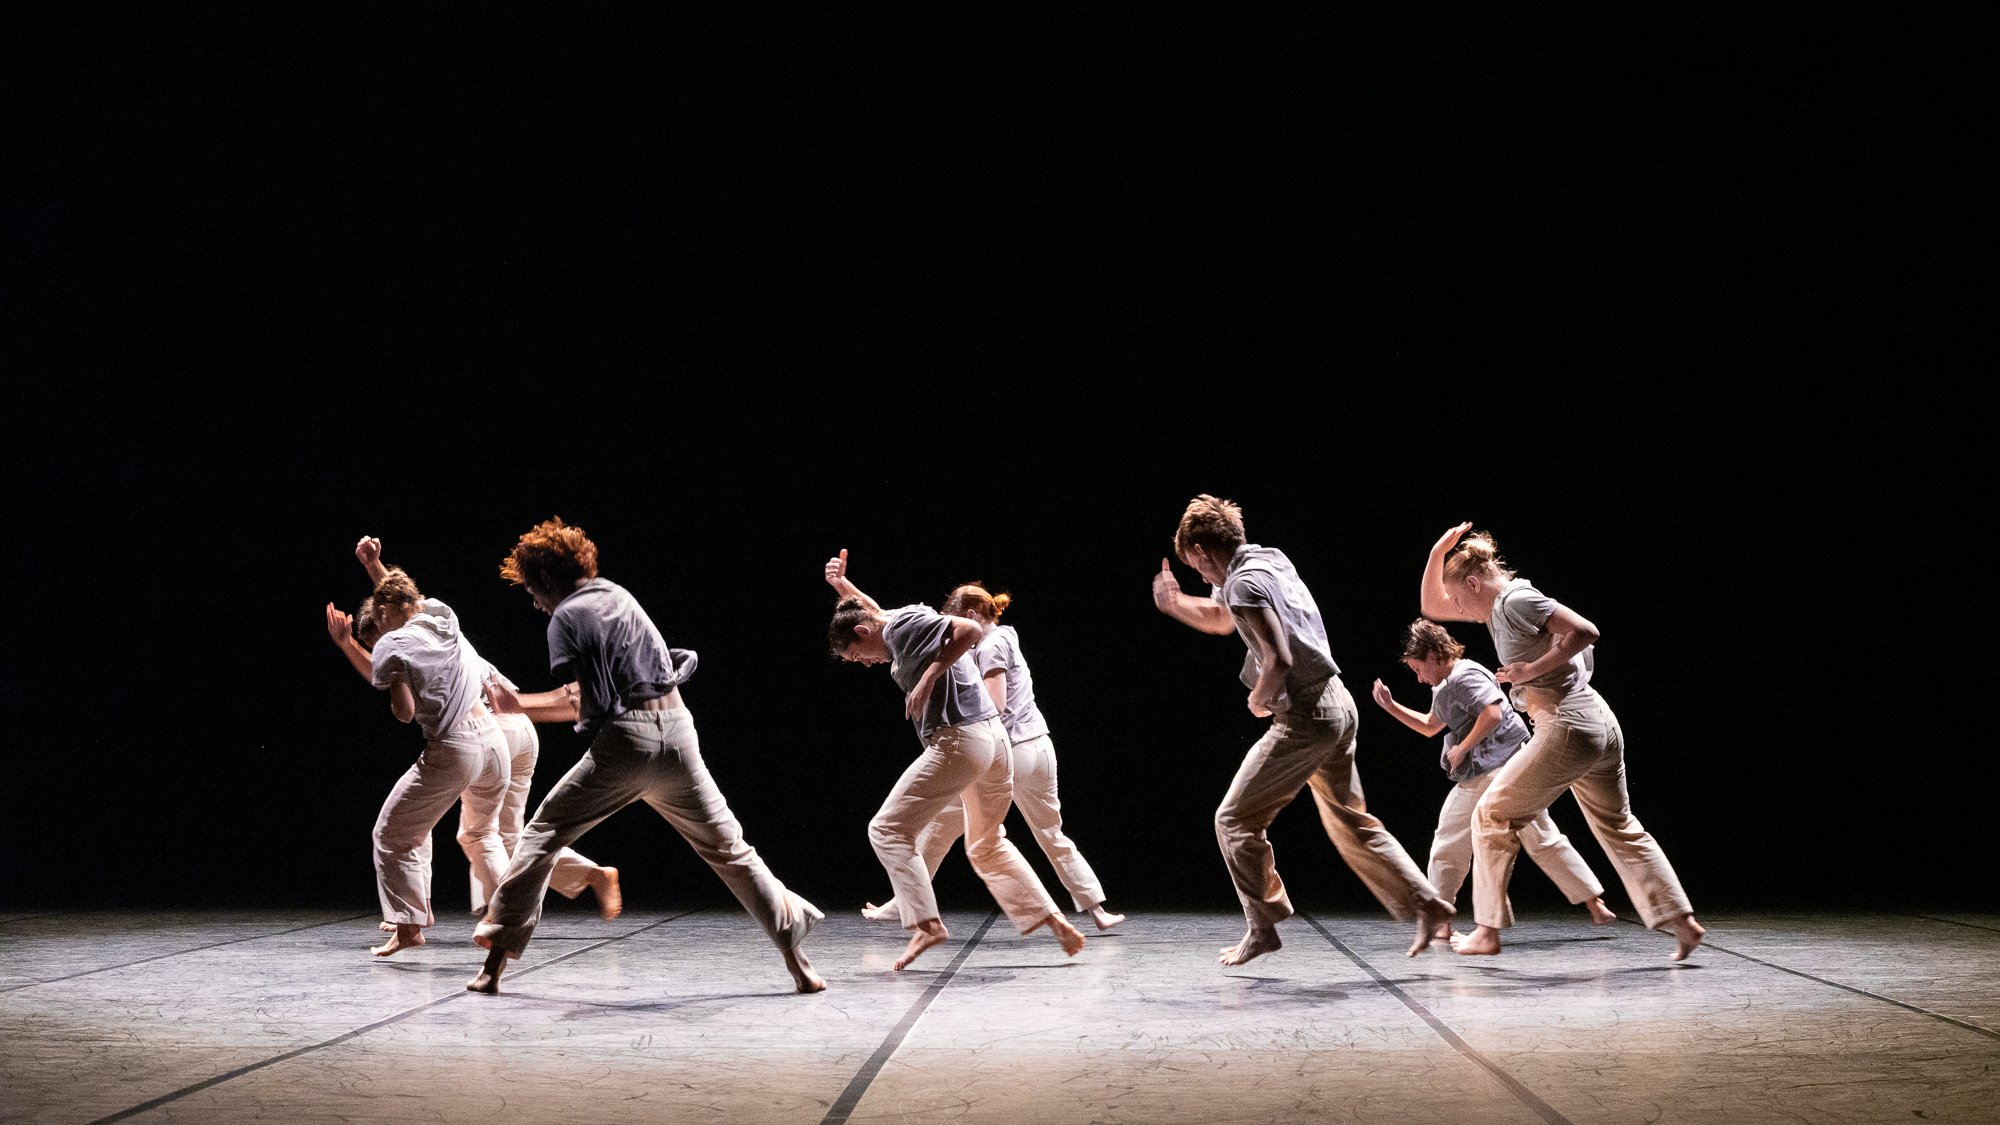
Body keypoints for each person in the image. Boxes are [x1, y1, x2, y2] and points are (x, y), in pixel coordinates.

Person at [466, 517, 824, 995]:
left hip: (626, 745)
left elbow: (585, 698)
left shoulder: (566, 617)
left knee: (542, 836)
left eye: (533, 590)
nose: (535, 602)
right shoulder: (619, 595)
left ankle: (492, 967)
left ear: (547, 580)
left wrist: (519, 705)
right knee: (731, 851)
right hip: (679, 736)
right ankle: (798, 962)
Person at [1151, 494, 1454, 965]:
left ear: (1203, 553)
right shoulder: (1268, 561)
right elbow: (1218, 620)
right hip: (1340, 703)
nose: (1199, 575)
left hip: (1308, 715)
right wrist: (1174, 605)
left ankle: (1263, 926)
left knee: (1233, 820)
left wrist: (1259, 696)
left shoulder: (1241, 584)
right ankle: (1429, 903)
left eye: (1196, 565)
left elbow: (1279, 657)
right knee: (1353, 822)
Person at [1420, 523, 1704, 961]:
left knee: (1492, 814)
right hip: (1595, 722)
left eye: (1461, 597)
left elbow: (1585, 630)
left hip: (1566, 722)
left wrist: (1529, 671)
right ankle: (1682, 921)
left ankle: (1486, 931)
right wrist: (1439, 551)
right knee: (1620, 825)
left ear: (1475, 582)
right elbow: (1432, 606)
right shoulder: (1498, 607)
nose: (1459, 608)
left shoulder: (1515, 600)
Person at [831, 556, 1125, 931]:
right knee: (1037, 833)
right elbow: (878, 617)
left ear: (968, 613)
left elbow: (996, 703)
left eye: (945, 617)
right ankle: (1090, 909)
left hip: (1001, 746)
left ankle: (912, 907)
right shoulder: (1004, 636)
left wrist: (938, 692)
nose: (939, 625)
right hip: (1036, 743)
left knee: (929, 827)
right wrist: (843, 586)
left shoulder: (987, 646)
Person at [344, 537, 622, 923]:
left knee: (477, 835)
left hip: (491, 729)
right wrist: (374, 566)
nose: (380, 652)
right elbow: (403, 594)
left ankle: (508, 916)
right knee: (507, 836)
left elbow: (394, 686)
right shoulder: (440, 623)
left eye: (376, 642)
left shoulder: (408, 644)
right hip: (520, 731)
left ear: (385, 622)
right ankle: (589, 875)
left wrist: (345, 643)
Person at [1370, 617, 1616, 943]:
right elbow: (1430, 725)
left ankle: (1442, 918)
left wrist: (1462, 748)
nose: (1418, 678)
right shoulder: (1447, 684)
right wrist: (1390, 707)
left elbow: (1494, 712)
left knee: (1450, 841)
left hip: (1493, 771)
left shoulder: (1464, 675)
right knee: (1540, 837)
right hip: (1499, 767)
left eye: (1418, 668)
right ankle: (1594, 903)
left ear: (1433, 655)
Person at [322, 566, 512, 958]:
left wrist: (351, 649)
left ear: (384, 612)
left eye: (375, 624)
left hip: (456, 746)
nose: (377, 637)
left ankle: (408, 928)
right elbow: (403, 593)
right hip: (495, 742)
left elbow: (405, 713)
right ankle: (512, 916)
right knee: (475, 834)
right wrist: (375, 566)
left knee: (391, 835)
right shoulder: (441, 613)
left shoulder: (393, 645)